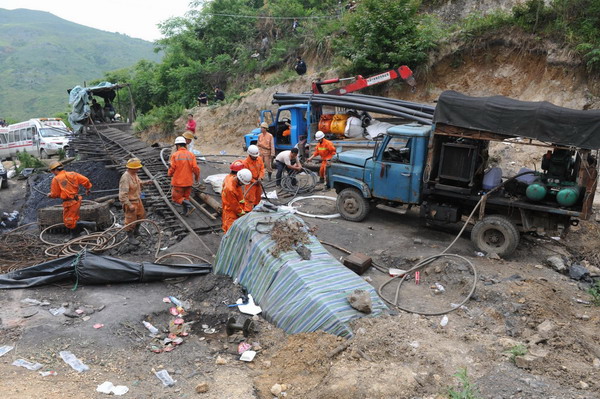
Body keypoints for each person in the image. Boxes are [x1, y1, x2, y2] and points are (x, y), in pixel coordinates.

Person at [47, 161, 96, 239]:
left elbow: (55, 194)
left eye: (52, 171)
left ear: (55, 170)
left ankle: (90, 225)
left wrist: (50, 195)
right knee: (74, 218)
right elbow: (86, 180)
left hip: (69, 202)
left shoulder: (56, 179)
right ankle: (75, 235)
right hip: (76, 200)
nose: (53, 173)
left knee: (69, 221)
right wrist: (88, 188)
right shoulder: (73, 174)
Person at [119, 158, 152, 245]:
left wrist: (145, 183)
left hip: (137, 200)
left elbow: (138, 182)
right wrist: (129, 205)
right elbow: (122, 195)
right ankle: (130, 237)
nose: (139, 169)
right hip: (130, 202)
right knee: (130, 221)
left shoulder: (134, 174)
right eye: (137, 168)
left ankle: (136, 231)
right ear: (132, 168)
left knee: (141, 216)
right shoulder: (125, 178)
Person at [168, 136, 200, 216]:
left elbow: (172, 168)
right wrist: (196, 178)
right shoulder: (191, 155)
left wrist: (169, 174)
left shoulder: (175, 155)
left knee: (176, 198)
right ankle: (185, 212)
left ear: (177, 145)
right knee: (185, 197)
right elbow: (196, 168)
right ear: (185, 145)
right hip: (188, 182)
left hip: (178, 182)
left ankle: (191, 206)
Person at [221, 168, 252, 233]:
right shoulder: (231, 189)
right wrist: (244, 215)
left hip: (232, 208)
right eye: (243, 183)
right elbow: (235, 207)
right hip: (231, 212)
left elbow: (239, 199)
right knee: (230, 231)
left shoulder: (231, 178)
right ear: (239, 180)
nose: (243, 185)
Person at [242, 145, 265, 210]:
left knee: (258, 198)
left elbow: (262, 169)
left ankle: (256, 209)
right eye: (254, 156)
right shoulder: (245, 163)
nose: (256, 157)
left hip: (258, 182)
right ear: (250, 154)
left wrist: (260, 177)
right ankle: (247, 212)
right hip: (250, 184)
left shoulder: (259, 159)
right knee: (249, 199)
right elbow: (245, 176)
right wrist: (254, 181)